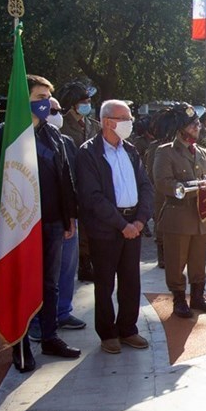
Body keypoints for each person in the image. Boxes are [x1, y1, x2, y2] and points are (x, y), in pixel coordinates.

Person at [0, 74, 82, 372]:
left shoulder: (53, 135)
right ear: (22, 99)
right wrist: (3, 219)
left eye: (46, 99)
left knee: (49, 285)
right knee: (22, 285)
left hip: (52, 223)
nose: (45, 105)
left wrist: (69, 217)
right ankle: (21, 345)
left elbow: (66, 179)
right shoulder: (2, 135)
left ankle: (50, 337)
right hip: (21, 228)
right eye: (39, 98)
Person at [76, 100, 154, 353]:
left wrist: (140, 220)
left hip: (134, 224)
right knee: (105, 283)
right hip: (106, 228)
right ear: (108, 121)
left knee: (131, 281)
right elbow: (92, 196)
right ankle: (107, 333)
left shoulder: (131, 150)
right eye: (125, 118)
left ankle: (128, 329)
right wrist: (122, 225)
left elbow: (145, 186)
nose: (130, 123)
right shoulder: (88, 153)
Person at [27, 97, 87, 340]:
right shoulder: (24, 140)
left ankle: (62, 312)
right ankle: (38, 320)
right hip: (39, 220)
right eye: (52, 110)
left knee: (66, 268)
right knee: (42, 275)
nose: (56, 114)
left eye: (59, 110)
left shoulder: (67, 141)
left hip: (67, 218)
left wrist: (73, 215)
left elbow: (72, 178)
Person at [153, 103, 206, 318]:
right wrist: (190, 187)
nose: (197, 128)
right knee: (176, 260)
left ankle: (198, 297)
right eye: (192, 125)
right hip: (179, 216)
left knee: (199, 260)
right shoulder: (166, 152)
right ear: (180, 128)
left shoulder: (203, 152)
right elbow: (163, 183)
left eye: (198, 124)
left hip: (201, 215)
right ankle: (179, 299)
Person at [58, 81, 100, 282]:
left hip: (91, 181)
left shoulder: (94, 124)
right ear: (73, 103)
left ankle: (89, 258)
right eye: (83, 101)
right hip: (69, 181)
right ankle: (82, 262)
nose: (87, 105)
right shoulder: (61, 124)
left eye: (89, 101)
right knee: (76, 224)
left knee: (91, 222)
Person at [144, 108, 177, 269]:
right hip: (162, 194)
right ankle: (162, 254)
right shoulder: (156, 147)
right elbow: (151, 173)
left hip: (179, 193)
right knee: (161, 224)